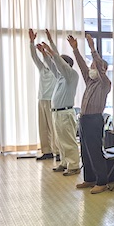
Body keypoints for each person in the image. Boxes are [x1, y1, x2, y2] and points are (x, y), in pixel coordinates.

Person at [69, 33, 112, 194]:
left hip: (95, 120)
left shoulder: (104, 83)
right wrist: (75, 50)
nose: (91, 68)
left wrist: (93, 48)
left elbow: (99, 66)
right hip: (85, 119)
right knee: (85, 151)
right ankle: (89, 178)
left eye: (94, 66)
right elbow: (81, 65)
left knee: (95, 150)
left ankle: (102, 181)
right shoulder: (90, 81)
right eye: (92, 65)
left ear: (102, 70)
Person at [38, 29, 80, 176]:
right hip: (57, 113)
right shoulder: (61, 77)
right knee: (61, 141)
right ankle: (64, 162)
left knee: (68, 140)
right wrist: (45, 54)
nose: (58, 67)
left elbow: (59, 63)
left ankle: (74, 165)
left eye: (61, 64)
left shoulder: (71, 76)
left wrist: (52, 52)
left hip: (65, 113)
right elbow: (52, 64)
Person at [28, 29, 58, 161]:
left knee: (54, 128)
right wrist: (31, 42)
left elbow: (55, 54)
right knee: (43, 126)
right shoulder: (42, 69)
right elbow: (34, 57)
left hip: (52, 100)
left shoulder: (57, 70)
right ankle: (47, 151)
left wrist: (50, 42)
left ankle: (58, 151)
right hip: (41, 99)